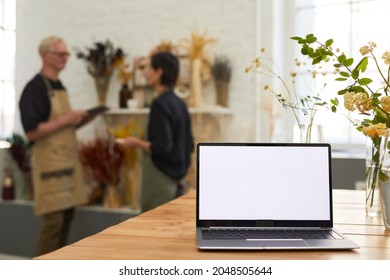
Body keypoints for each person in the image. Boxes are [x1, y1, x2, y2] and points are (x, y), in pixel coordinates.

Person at [19, 35, 94, 256]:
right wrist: (66, 120)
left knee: (66, 220)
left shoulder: (59, 85)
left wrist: (77, 122)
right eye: (60, 53)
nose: (65, 58)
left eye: (66, 54)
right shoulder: (34, 89)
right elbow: (31, 132)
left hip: (67, 164)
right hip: (50, 167)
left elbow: (58, 127)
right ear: (44, 55)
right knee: (53, 224)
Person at [118, 52, 194, 212]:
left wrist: (135, 142)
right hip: (176, 180)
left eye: (149, 68)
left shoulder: (160, 104)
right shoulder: (180, 104)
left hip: (159, 182)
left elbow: (161, 148)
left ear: (159, 72)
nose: (145, 73)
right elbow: (190, 144)